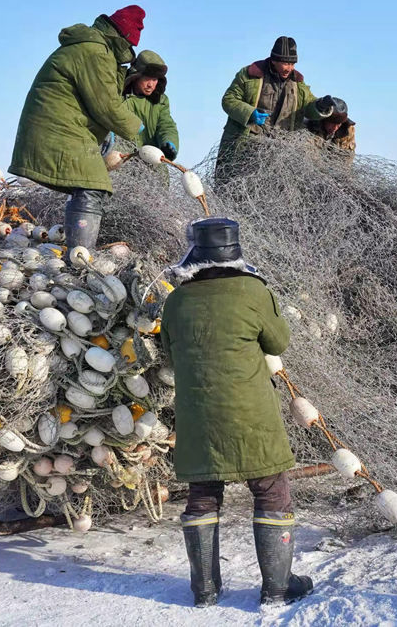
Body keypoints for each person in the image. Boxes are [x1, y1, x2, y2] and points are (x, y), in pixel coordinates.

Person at [160, 218, 313, 607]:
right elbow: (279, 341)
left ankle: (205, 589)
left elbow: (169, 354)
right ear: (235, 252)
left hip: (198, 415)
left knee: (203, 493)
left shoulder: (175, 300)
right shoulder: (253, 290)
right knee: (271, 489)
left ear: (194, 254)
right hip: (250, 411)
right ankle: (277, 587)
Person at [9, 5, 146, 250]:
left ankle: (77, 250)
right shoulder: (94, 52)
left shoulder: (90, 47)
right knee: (92, 184)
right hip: (57, 129)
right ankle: (80, 255)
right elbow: (106, 105)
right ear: (122, 38)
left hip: (57, 126)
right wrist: (139, 131)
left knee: (85, 184)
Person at [216, 36, 338, 181]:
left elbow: (309, 107)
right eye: (286, 63)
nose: (289, 68)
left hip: (278, 154)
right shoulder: (250, 75)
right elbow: (229, 100)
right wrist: (249, 113)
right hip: (245, 148)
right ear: (274, 60)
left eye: (293, 63)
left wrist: (321, 105)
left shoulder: (298, 83)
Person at [123, 50, 179, 161]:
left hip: (152, 163)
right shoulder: (118, 96)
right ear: (136, 76)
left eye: (154, 79)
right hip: (123, 160)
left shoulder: (160, 101)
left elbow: (166, 125)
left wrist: (169, 142)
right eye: (147, 78)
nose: (151, 85)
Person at [305, 97, 357, 165]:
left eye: (338, 124)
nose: (335, 128)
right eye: (332, 124)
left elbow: (347, 159)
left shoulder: (347, 130)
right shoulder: (310, 126)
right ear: (324, 120)